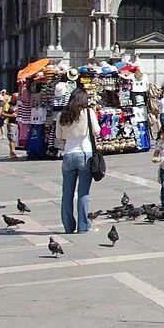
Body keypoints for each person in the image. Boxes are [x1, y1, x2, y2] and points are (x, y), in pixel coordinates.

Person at [55, 89, 99, 234]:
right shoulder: (88, 112)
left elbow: (59, 137)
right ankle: (83, 226)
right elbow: (96, 131)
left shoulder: (62, 115)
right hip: (85, 154)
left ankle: (68, 226)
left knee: (67, 193)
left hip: (68, 155)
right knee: (83, 193)